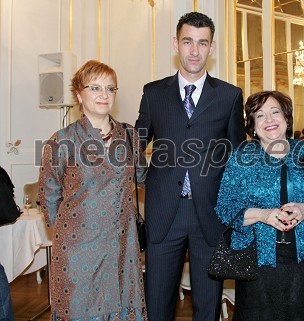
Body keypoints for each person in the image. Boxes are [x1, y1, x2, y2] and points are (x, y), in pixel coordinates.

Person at [135, 12, 246, 321]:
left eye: (202, 43)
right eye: (187, 42)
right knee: (157, 305)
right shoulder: (153, 92)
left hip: (210, 216)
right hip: (162, 214)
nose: (194, 51)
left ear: (211, 47)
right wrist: (148, 181)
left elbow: (238, 156)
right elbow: (135, 145)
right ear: (176, 44)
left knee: (207, 308)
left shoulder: (229, 96)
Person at [39, 60, 147, 320]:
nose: (104, 95)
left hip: (122, 244)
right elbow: (48, 195)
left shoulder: (130, 136)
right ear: (79, 94)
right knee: (79, 308)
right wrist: (71, 231)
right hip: (77, 247)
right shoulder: (62, 139)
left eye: (110, 89)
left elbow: (143, 176)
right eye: (95, 88)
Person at [215, 91, 304, 321]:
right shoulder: (242, 157)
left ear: (286, 119)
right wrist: (264, 215)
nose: (269, 120)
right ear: (253, 127)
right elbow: (225, 208)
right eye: (260, 115)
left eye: (275, 112)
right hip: (257, 262)